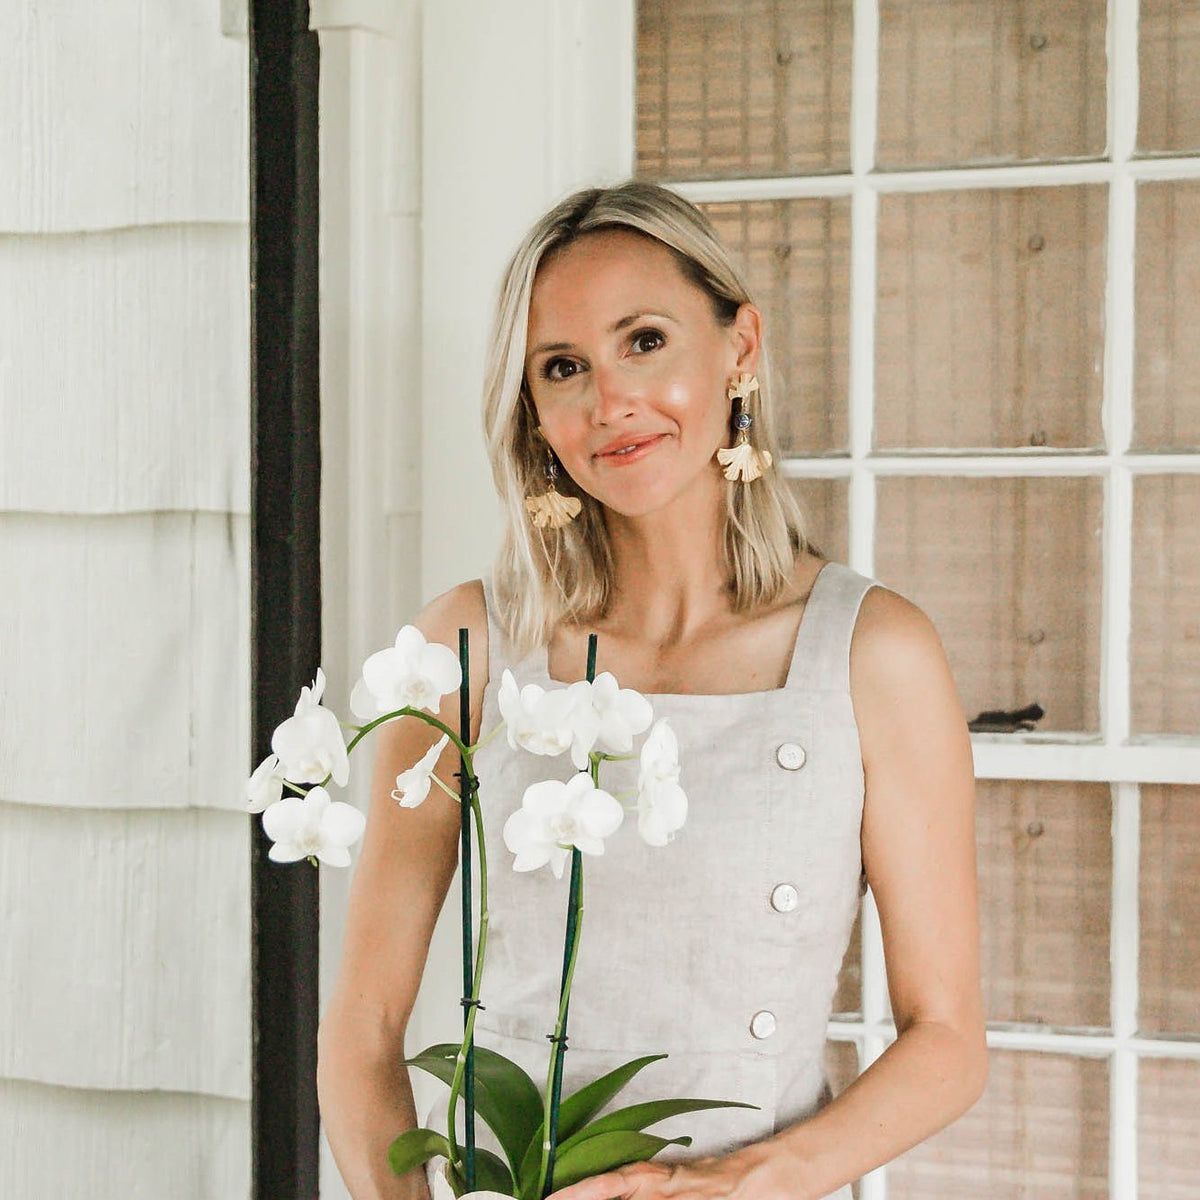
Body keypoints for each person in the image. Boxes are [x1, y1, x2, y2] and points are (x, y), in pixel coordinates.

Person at [317, 181, 986, 1200]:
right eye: (563, 367)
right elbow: (362, 1028)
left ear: (739, 347)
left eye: (644, 341)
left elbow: (948, 1039)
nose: (610, 401)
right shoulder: (467, 648)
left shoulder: (870, 654)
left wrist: (736, 1182)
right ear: (533, 411)